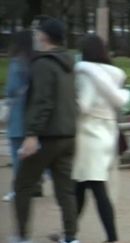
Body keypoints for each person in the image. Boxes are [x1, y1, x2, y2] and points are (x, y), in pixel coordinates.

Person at [12, 17, 79, 243]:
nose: (35, 36)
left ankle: (22, 236)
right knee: (65, 189)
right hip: (68, 134)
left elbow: (43, 101)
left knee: (23, 185)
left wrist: (32, 134)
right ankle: (71, 237)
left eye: (37, 32)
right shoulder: (68, 63)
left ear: (45, 36)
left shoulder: (42, 63)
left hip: (47, 135)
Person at [71, 34, 130, 243]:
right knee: (82, 187)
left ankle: (109, 236)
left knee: (91, 188)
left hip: (88, 137)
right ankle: (69, 232)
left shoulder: (86, 74)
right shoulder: (112, 75)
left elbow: (83, 105)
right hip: (107, 135)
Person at [2, 31, 33, 202]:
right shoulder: (34, 62)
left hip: (17, 115)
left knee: (17, 155)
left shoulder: (16, 64)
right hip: (31, 115)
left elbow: (11, 90)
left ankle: (18, 190)